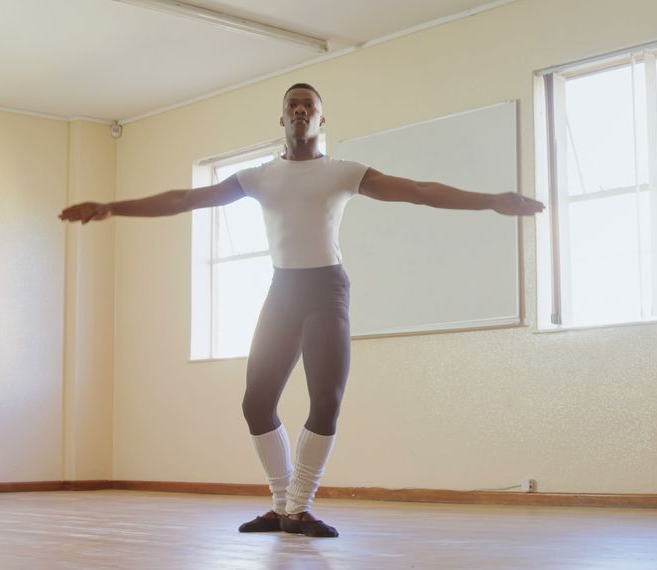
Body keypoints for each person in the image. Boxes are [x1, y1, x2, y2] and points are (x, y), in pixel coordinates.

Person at [59, 83, 544, 538]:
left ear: (320, 118)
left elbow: (418, 190)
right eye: (293, 103)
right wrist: (111, 206)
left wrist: (492, 202)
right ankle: (282, 505)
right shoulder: (258, 176)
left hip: (326, 290)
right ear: (283, 117)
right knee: (255, 402)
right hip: (282, 290)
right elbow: (186, 198)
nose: (300, 109)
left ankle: (299, 506)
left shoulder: (342, 172)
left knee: (325, 401)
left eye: (308, 104)